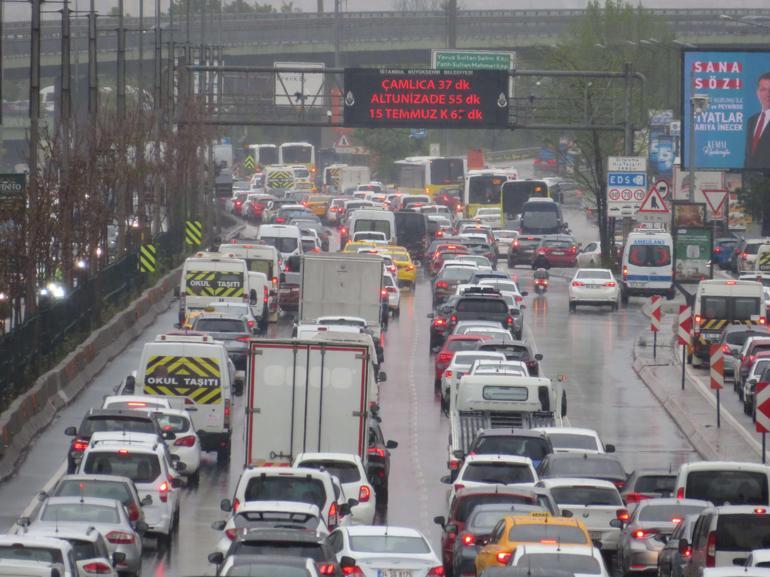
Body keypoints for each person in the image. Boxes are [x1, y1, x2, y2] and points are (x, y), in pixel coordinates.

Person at [745, 72, 770, 169]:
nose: (768, 94)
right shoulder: (751, 121)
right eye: (763, 89)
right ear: (758, 93)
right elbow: (748, 156)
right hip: (750, 180)